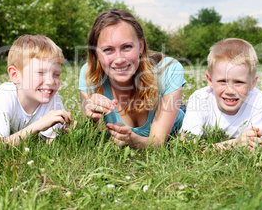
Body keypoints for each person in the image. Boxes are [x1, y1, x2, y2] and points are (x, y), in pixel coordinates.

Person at [79, 9, 186, 149]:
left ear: (140, 46)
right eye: (107, 50)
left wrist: (132, 140)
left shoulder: (169, 71)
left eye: (127, 47)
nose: (119, 59)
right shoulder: (90, 75)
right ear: (96, 53)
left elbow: (157, 143)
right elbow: (97, 140)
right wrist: (93, 118)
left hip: (179, 115)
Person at [180, 38, 262, 151]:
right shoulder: (200, 99)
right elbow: (186, 146)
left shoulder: (258, 100)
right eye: (222, 81)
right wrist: (234, 144)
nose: (230, 91)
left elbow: (256, 147)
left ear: (252, 83)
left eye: (239, 82)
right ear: (210, 80)